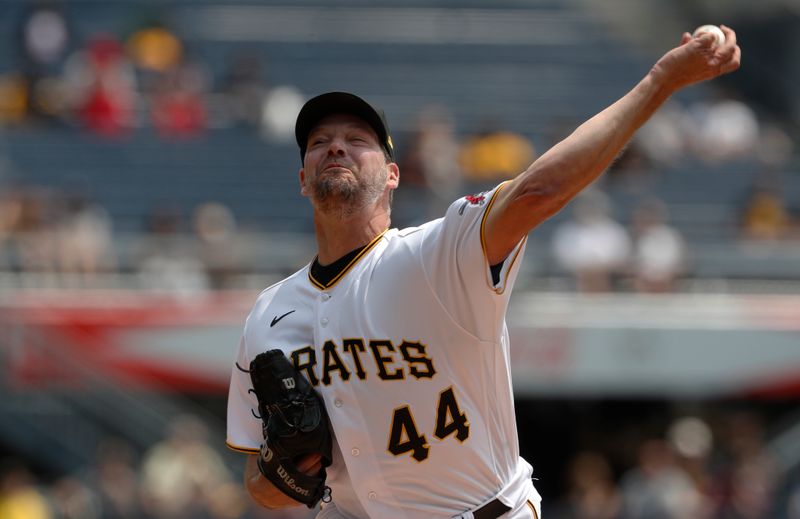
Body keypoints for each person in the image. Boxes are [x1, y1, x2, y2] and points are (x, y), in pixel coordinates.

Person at [226, 26, 740, 518]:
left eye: (357, 139)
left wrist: (659, 82)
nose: (335, 146)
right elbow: (260, 486)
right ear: (301, 179)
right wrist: (282, 470)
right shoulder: (270, 314)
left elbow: (541, 189)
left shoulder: (439, 252)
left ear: (392, 175)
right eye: (319, 142)